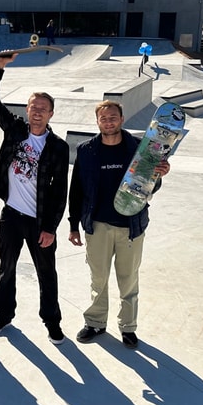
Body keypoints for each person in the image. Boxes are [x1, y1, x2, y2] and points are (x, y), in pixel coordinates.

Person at [68, 100, 171, 349]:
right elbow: (77, 189)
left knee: (128, 279)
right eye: (104, 118)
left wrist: (159, 174)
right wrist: (73, 224)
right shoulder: (86, 150)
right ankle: (95, 322)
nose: (109, 121)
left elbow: (149, 186)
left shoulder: (139, 149)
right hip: (98, 226)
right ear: (97, 122)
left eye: (113, 117)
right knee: (98, 278)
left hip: (131, 226)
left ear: (122, 119)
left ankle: (128, 327)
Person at [0, 54, 70, 343]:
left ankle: (52, 321)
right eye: (33, 107)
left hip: (39, 220)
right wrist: (0, 67)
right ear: (27, 109)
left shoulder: (58, 147)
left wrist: (51, 228)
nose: (37, 112)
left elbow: (60, 192)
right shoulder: (14, 130)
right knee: (6, 268)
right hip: (11, 214)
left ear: (51, 114)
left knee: (47, 273)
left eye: (43, 109)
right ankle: (4, 314)